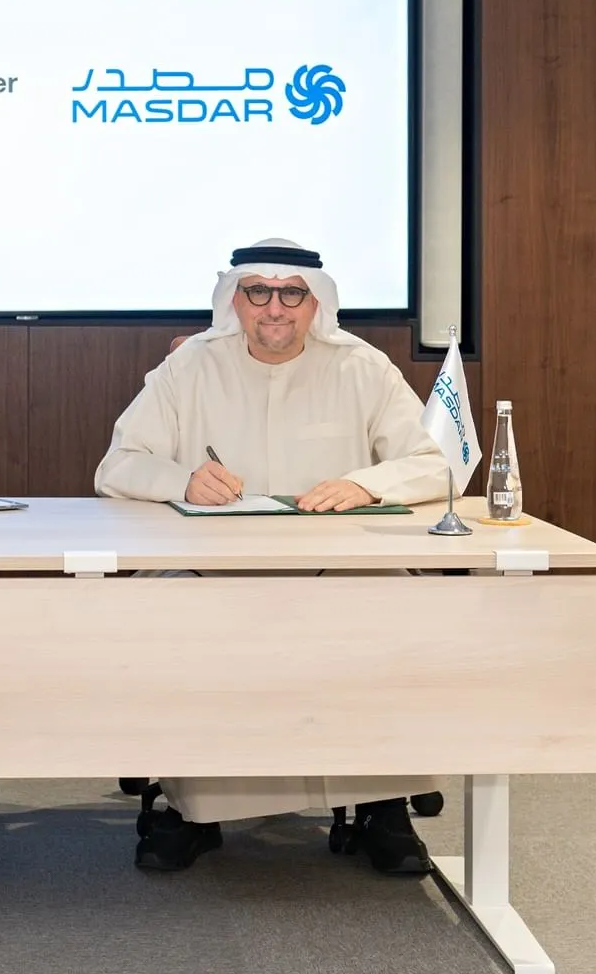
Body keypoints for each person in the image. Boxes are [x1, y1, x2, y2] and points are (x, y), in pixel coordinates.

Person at [94, 238, 451, 874]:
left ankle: (381, 803)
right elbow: (118, 464)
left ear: (317, 303)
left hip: (336, 571)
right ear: (236, 299)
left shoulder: (361, 367)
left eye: (293, 294)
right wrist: (183, 481)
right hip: (214, 571)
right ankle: (192, 806)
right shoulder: (190, 367)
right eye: (259, 292)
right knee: (166, 610)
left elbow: (434, 463)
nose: (275, 309)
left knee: (395, 605)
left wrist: (366, 483)